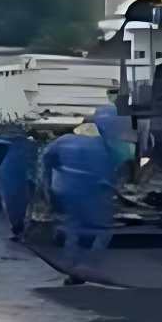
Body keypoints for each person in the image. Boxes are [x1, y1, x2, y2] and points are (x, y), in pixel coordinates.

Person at [43, 106, 124, 284]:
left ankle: (71, 268)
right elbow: (116, 172)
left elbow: (46, 160)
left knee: (74, 227)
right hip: (94, 191)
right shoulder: (107, 145)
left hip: (67, 191)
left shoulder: (63, 141)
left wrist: (48, 186)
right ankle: (87, 267)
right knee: (103, 230)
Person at [0, 134, 34, 241]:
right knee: (19, 203)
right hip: (20, 174)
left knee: (14, 203)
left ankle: (19, 229)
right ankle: (20, 229)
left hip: (13, 174)